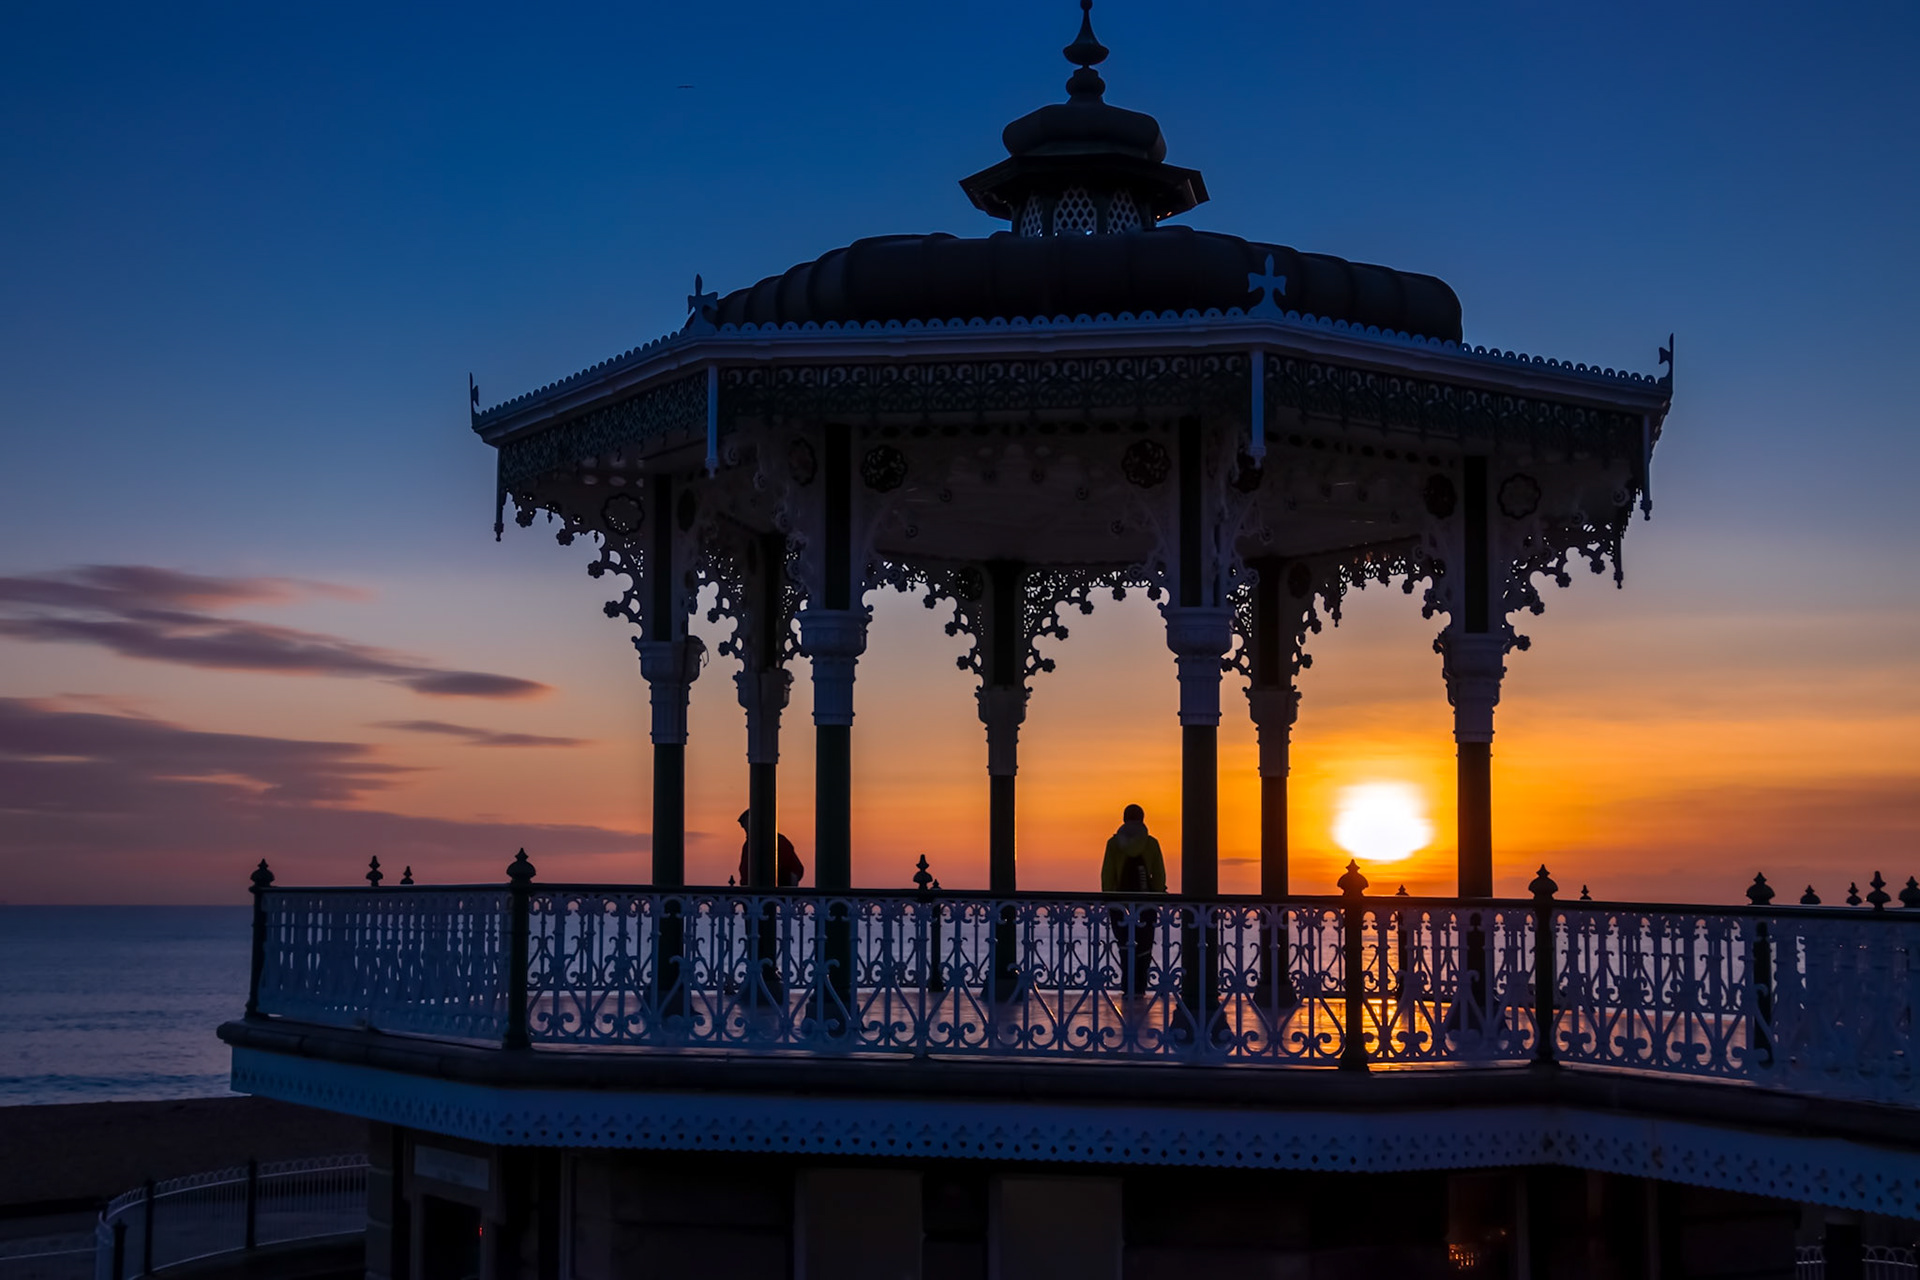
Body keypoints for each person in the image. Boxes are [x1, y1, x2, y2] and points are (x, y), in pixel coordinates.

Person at [1101, 804, 1166, 995]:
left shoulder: (1113, 844)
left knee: (1124, 943)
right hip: (1146, 902)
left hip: (1120, 903)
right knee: (1144, 944)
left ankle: (1127, 983)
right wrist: (1160, 893)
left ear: (1123, 819)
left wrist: (1108, 895)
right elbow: (1159, 873)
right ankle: (1140, 985)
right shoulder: (1152, 844)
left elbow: (1108, 873)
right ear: (1143, 819)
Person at [737, 810, 805, 888]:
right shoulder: (748, 845)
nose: (746, 831)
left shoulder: (779, 841)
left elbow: (795, 870)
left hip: (776, 894)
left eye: (746, 826)